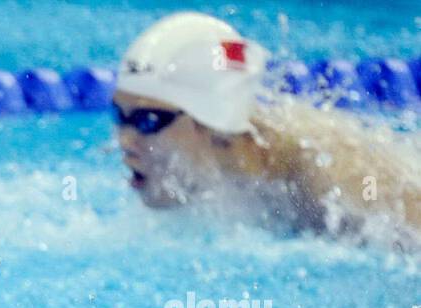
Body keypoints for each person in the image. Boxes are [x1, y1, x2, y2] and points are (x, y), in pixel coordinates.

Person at [114, 11, 420, 242]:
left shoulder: (332, 171)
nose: (125, 140)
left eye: (148, 120)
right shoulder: (216, 175)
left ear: (211, 124)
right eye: (120, 116)